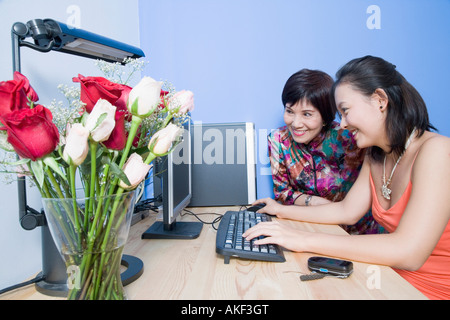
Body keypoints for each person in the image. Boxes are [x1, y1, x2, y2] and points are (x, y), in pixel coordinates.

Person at [244, 56, 450, 300]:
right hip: (388, 278)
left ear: (380, 101)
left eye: (346, 111)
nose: (341, 124)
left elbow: (409, 252)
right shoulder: (377, 155)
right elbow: (345, 211)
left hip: (429, 290)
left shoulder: (438, 152)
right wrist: (280, 211)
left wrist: (302, 238)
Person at [269, 68, 383, 234]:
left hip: (360, 233)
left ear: (325, 117)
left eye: (307, 114)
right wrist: (314, 202)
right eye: (289, 111)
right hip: (310, 227)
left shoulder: (352, 138)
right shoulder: (278, 140)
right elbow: (283, 193)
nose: (296, 123)